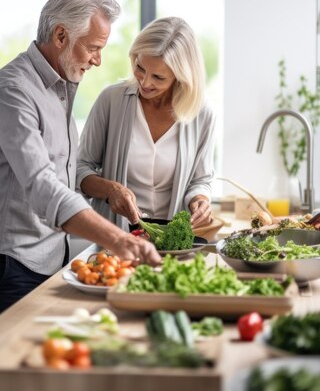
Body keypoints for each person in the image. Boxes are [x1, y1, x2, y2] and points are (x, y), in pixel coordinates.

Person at [0, 0, 160, 336]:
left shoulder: (60, 90)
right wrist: (119, 239)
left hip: (47, 261)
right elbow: (43, 186)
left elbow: (64, 174)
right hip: (7, 266)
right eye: (94, 48)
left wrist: (108, 188)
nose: (98, 60)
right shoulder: (14, 90)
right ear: (60, 36)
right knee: (1, 380)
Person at [76, 16, 216, 231]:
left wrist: (200, 200)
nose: (145, 82)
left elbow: (201, 179)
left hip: (172, 244)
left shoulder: (201, 113)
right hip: (114, 240)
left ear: (181, 77)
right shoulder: (111, 100)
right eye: (140, 67)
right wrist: (110, 189)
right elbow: (80, 167)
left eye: (158, 77)